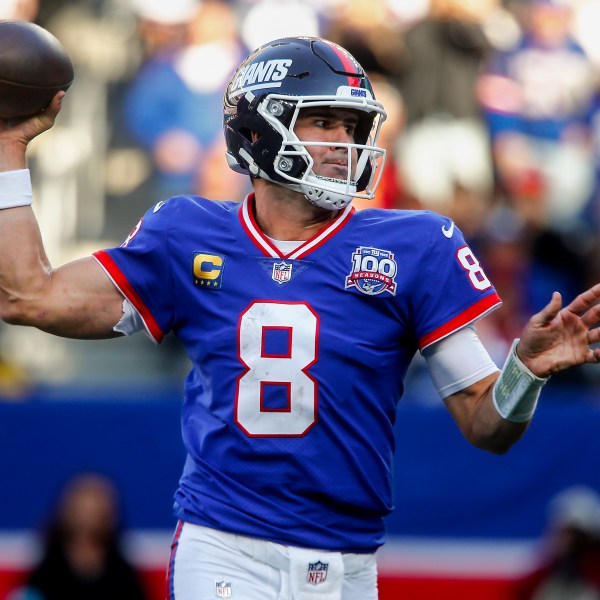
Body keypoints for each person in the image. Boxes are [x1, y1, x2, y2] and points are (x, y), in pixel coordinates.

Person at [0, 36, 599, 600]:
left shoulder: (416, 243)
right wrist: (8, 145)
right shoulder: (187, 234)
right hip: (224, 548)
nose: (344, 142)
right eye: (323, 121)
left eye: (353, 125)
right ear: (258, 129)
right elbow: (28, 296)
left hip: (347, 560)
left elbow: (487, 426)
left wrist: (525, 372)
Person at [11, 473, 148, 600]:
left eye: (95, 511)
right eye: (81, 509)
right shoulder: (44, 577)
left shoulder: (124, 579)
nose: (87, 518)